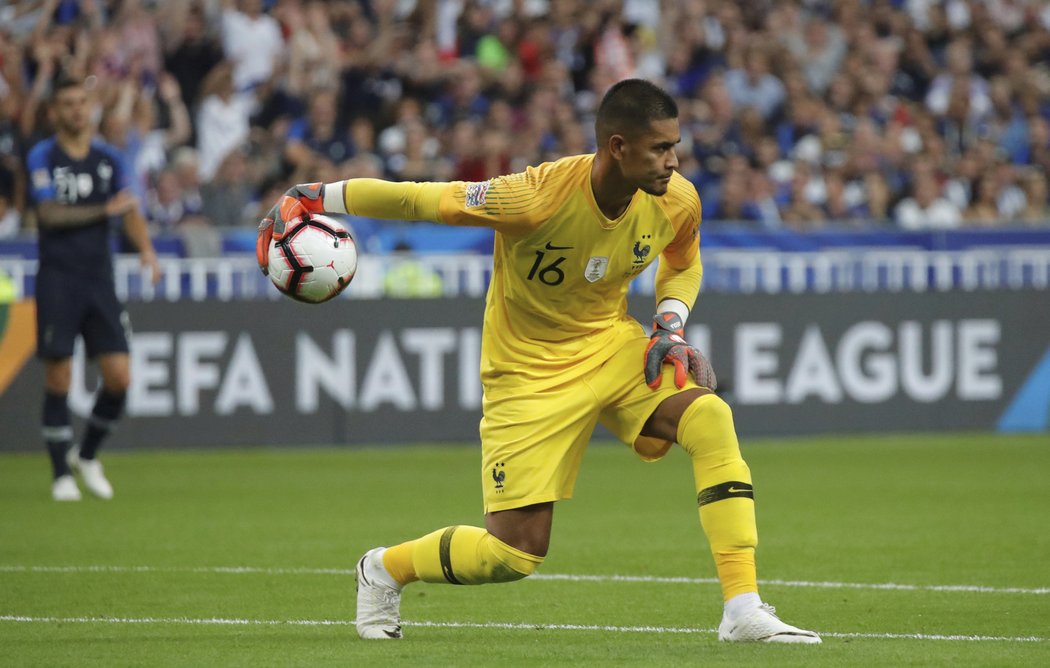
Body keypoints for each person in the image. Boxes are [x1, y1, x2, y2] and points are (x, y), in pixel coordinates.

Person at [257, 79, 821, 644]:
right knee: (513, 553)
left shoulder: (677, 198)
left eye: (676, 147)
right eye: (659, 149)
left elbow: (683, 259)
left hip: (610, 346)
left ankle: (742, 607)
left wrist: (670, 322)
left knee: (710, 417)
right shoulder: (533, 197)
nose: (672, 162)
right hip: (526, 373)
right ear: (617, 147)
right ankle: (384, 569)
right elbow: (420, 199)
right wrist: (316, 196)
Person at [26, 75, 161, 502]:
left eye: (82, 102)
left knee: (120, 377)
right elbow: (48, 214)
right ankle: (58, 474)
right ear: (54, 112)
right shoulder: (43, 155)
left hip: (100, 280)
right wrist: (105, 209)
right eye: (67, 103)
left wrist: (146, 249)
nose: (77, 110)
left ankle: (86, 456)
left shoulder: (110, 157)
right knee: (59, 376)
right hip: (58, 278)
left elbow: (129, 208)